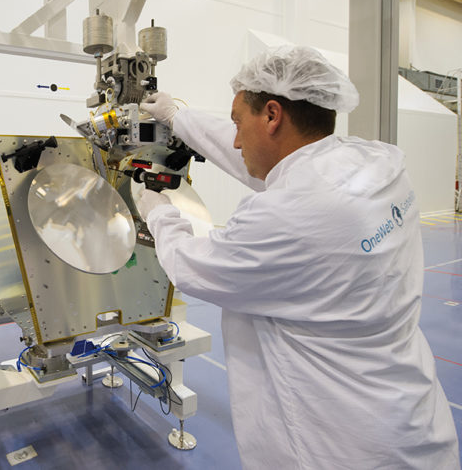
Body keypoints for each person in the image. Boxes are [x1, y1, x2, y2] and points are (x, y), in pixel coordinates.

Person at [137, 46, 460, 469]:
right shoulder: (374, 164)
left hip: (340, 447)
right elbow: (263, 161)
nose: (234, 139)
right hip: (413, 421)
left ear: (272, 115)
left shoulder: (286, 216)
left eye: (238, 123)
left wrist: (158, 212)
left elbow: (193, 267)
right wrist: (178, 117)